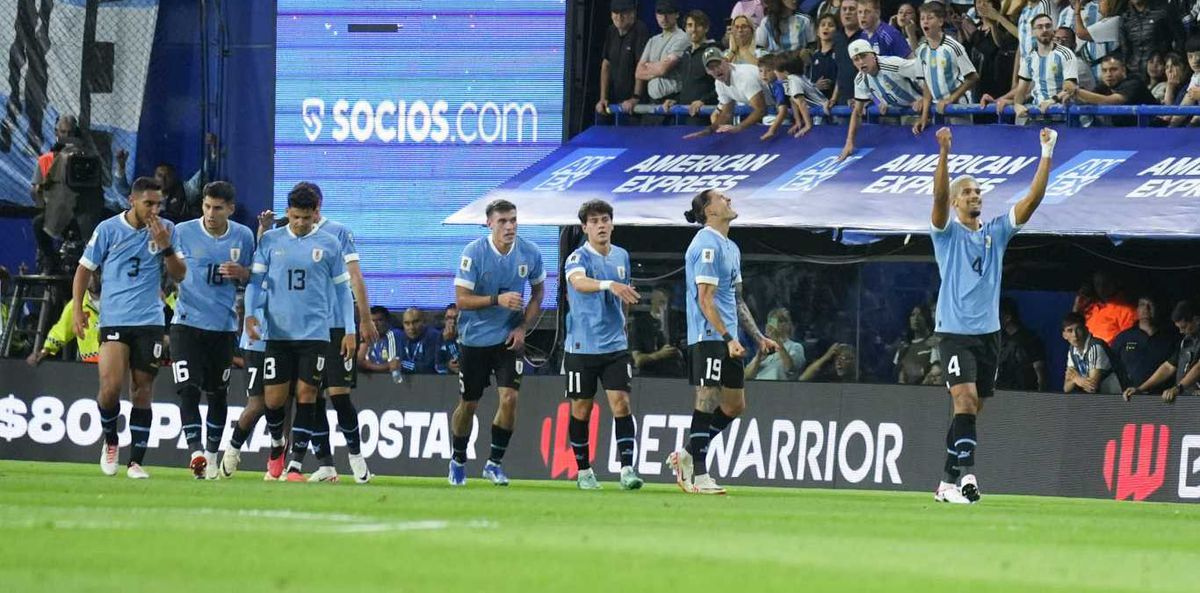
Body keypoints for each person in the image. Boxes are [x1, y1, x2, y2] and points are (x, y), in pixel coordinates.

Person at [928, 125, 1057, 504]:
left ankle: (945, 483)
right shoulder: (945, 234)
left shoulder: (996, 232)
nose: (974, 196)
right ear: (956, 202)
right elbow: (937, 198)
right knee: (964, 400)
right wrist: (944, 153)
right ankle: (968, 478)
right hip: (953, 332)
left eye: (977, 192)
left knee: (971, 409)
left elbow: (1032, 201)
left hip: (989, 335)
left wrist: (1046, 152)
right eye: (967, 192)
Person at [668, 189, 780, 495]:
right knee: (707, 397)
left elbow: (737, 299)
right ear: (709, 210)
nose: (729, 199)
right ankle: (699, 475)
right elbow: (705, 300)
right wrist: (728, 338)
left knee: (734, 404)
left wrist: (757, 337)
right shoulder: (705, 244)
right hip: (709, 336)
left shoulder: (731, 247)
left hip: (729, 337)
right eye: (721, 198)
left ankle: (687, 454)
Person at [75, 177, 187, 479]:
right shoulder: (108, 229)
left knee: (142, 391)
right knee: (110, 389)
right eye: (148, 203)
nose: (154, 209)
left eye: (158, 204)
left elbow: (180, 275)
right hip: (113, 319)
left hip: (149, 321)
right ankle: (111, 439)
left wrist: (165, 247)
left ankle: (135, 461)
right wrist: (77, 311)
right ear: (132, 201)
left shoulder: (167, 229)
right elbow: (84, 269)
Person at [244, 185, 356, 484]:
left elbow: (344, 291)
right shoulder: (270, 240)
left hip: (316, 333)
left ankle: (295, 465)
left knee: (308, 395)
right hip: (278, 333)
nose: (300, 223)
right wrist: (250, 313)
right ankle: (278, 445)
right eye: (295, 217)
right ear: (287, 212)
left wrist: (350, 329)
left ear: (315, 214)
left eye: (306, 218)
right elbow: (255, 282)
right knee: (274, 400)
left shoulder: (330, 244)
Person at [282, 182, 378, 483]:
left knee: (338, 394)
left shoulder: (338, 233)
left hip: (337, 324)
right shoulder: (286, 237)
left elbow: (354, 276)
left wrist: (364, 319)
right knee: (310, 396)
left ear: (318, 207)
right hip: (305, 329)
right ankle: (325, 463)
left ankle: (356, 456)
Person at [449, 199, 545, 486]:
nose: (510, 226)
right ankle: (458, 459)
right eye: (503, 221)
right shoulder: (474, 253)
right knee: (469, 404)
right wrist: (497, 300)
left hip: (507, 338)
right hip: (475, 339)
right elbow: (461, 300)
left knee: (510, 398)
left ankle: (494, 463)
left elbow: (539, 293)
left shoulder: (530, 252)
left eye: (513, 220)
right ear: (489, 223)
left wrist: (522, 327)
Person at [168, 181, 256, 479]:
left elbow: (255, 279)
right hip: (186, 324)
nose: (210, 213)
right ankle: (195, 452)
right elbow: (169, 268)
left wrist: (242, 273)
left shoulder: (243, 237)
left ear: (230, 209)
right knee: (187, 389)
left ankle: (211, 455)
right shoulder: (183, 232)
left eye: (217, 208)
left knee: (217, 394)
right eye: (206, 206)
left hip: (222, 327)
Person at [562, 200, 645, 491]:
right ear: (585, 227)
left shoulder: (621, 255)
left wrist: (623, 320)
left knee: (621, 403)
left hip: (614, 347)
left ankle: (627, 470)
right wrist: (609, 285)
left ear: (612, 223)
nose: (601, 225)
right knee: (582, 409)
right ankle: (584, 471)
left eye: (605, 219)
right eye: (594, 221)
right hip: (581, 347)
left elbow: (626, 294)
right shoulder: (577, 258)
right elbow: (579, 283)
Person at [838, 39, 928, 160]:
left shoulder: (893, 64)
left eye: (864, 56)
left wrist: (924, 98)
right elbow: (858, 112)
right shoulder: (860, 81)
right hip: (907, 115)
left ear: (873, 55)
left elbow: (927, 72)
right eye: (856, 59)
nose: (861, 62)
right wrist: (849, 142)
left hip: (928, 109)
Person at [989, 14, 1078, 123]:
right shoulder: (1029, 58)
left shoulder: (1066, 54)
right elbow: (1021, 90)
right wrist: (1017, 104)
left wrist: (1052, 101)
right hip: (1037, 118)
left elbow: (1071, 87)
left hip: (1062, 117)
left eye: (1048, 26)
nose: (1044, 30)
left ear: (1053, 30)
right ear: (1033, 32)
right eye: (1040, 27)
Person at [914, 1, 979, 127]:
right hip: (937, 109)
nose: (925, 22)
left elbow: (973, 77)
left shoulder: (953, 46)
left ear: (940, 22)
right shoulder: (922, 50)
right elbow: (927, 84)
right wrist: (924, 117)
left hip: (958, 108)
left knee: (961, 145)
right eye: (922, 18)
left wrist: (950, 99)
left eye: (930, 17)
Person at [1123, 300, 1200, 403]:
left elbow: (1199, 367)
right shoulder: (1186, 341)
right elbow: (1168, 367)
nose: (1181, 332)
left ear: (1196, 320)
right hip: (1187, 401)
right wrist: (1140, 389)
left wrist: (1178, 388)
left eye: (1184, 327)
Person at [683, 48, 768, 138]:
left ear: (726, 61)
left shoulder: (743, 77)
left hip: (782, 101)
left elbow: (761, 110)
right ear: (707, 72)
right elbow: (727, 113)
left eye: (718, 64)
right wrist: (709, 130)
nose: (716, 69)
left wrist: (738, 128)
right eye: (711, 68)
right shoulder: (719, 83)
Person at [27, 273, 101, 365]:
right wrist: (45, 350)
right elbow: (60, 330)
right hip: (91, 366)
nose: (93, 278)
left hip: (117, 361)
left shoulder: (117, 299)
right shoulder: (77, 304)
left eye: (97, 273)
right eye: (89, 274)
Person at [663, 10, 720, 126]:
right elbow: (689, 87)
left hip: (706, 116)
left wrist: (704, 101)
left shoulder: (713, 51)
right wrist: (676, 100)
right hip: (685, 117)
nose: (693, 29)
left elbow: (723, 85)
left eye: (698, 25)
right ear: (685, 29)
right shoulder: (686, 53)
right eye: (690, 25)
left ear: (706, 28)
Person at [1111, 296, 1178, 392]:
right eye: (1142, 304)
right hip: (1129, 396)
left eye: (1150, 305)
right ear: (1137, 310)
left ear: (1158, 308)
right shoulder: (1123, 337)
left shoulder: (1171, 338)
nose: (1146, 309)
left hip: (1163, 397)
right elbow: (1112, 366)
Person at [597, 0, 651, 119]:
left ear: (633, 14)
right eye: (615, 13)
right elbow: (606, 64)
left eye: (623, 13)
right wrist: (603, 98)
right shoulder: (611, 31)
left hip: (635, 106)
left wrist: (635, 98)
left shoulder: (640, 30)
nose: (619, 17)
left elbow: (642, 65)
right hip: (614, 101)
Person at [1068, 54, 1158, 125]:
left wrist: (1076, 90)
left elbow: (1109, 101)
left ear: (1123, 70)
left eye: (1113, 69)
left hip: (1153, 129)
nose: (1108, 74)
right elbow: (1089, 98)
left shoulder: (1134, 83)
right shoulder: (1105, 84)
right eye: (1104, 70)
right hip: (1125, 130)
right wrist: (1068, 92)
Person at [635, 0, 690, 112]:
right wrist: (658, 67)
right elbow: (638, 72)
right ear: (656, 16)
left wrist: (649, 66)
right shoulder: (652, 40)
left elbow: (663, 70)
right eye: (660, 14)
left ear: (677, 14)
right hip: (652, 103)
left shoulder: (683, 37)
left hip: (673, 102)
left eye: (668, 13)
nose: (664, 18)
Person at [629, 286, 687, 377]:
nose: (664, 307)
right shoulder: (640, 324)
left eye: (667, 303)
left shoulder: (676, 322)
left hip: (675, 376)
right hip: (649, 377)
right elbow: (638, 360)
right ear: (652, 301)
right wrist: (660, 355)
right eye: (661, 302)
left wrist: (680, 353)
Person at [1062, 312, 1122, 394]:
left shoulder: (1095, 347)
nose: (1075, 335)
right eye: (1070, 331)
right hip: (1099, 397)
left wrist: (1076, 379)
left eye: (1078, 329)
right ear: (1064, 335)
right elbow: (1066, 388)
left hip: (1117, 395)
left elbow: (1092, 388)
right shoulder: (1072, 350)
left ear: (1086, 330)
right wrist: (1077, 380)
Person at [996, 297, 1047, 391]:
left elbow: (1039, 370)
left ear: (1008, 317)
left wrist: (1040, 395)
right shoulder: (1000, 340)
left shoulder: (1030, 339)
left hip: (1024, 394)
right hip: (1002, 394)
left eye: (997, 315)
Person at [746, 308, 807, 381]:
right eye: (771, 321)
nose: (774, 325)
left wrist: (777, 340)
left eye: (780, 321)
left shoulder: (795, 347)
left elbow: (790, 368)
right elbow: (746, 376)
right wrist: (758, 357)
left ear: (788, 325)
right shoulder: (765, 348)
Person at [894, 304, 943, 385]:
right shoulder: (903, 348)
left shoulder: (933, 345)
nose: (916, 319)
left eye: (920, 315)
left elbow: (936, 371)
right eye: (913, 315)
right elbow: (898, 375)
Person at [396, 308, 441, 375]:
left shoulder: (433, 336)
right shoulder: (402, 337)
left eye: (415, 322)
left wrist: (403, 365)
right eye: (407, 323)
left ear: (424, 321)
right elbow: (399, 361)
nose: (411, 327)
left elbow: (429, 368)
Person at [358, 306, 398, 373]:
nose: (375, 324)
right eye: (373, 321)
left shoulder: (395, 335)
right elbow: (360, 363)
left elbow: (394, 365)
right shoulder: (367, 336)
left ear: (387, 321)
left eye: (379, 320)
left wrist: (369, 366)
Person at [436, 303, 462, 375]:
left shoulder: (470, 335)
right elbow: (436, 365)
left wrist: (450, 341)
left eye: (456, 318)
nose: (453, 322)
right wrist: (448, 366)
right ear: (444, 320)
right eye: (449, 318)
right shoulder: (440, 337)